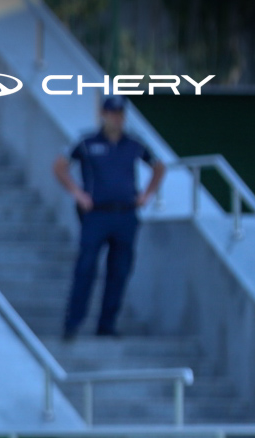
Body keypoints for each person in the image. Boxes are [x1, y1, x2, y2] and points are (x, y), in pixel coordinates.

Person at [53, 96, 167, 339]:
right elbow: (60, 166)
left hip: (125, 215)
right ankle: (72, 323)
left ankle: (107, 324)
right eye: (112, 113)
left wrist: (146, 195)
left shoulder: (134, 143)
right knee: (85, 267)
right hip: (96, 215)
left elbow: (158, 166)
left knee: (120, 270)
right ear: (103, 115)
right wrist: (77, 193)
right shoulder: (86, 142)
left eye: (120, 114)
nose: (117, 118)